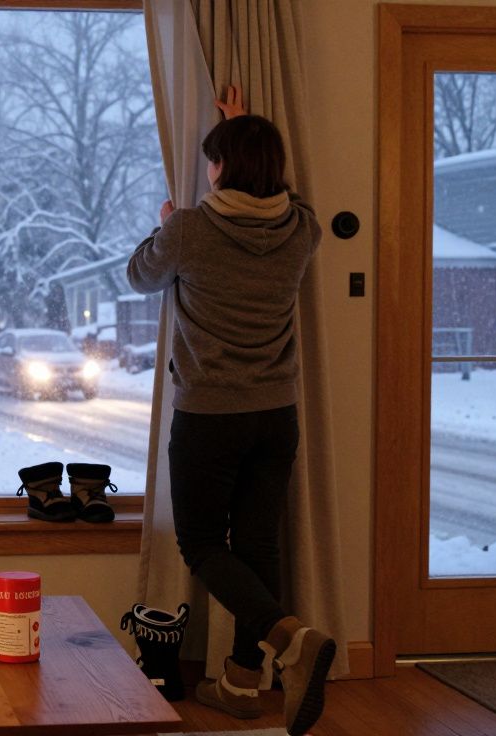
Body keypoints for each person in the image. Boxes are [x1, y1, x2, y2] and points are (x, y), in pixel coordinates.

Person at [126, 85, 335, 736]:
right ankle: (244, 684)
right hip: (277, 412)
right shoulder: (302, 228)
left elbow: (138, 276)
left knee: (201, 544)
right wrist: (243, 129)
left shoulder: (189, 229)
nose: (209, 171)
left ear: (223, 168)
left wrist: (163, 224)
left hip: (210, 414)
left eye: (215, 161)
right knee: (256, 543)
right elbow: (282, 199)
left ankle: (290, 639)